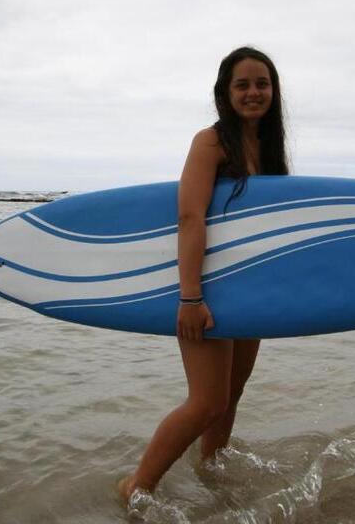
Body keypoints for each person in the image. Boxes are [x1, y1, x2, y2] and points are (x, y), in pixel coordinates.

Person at [118, 46, 290, 504]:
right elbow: (190, 217)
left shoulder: (269, 149)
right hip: (206, 290)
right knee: (207, 400)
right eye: (242, 84)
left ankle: (211, 472)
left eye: (262, 84)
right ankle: (136, 487)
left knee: (232, 394)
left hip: (245, 288)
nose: (254, 92)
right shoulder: (211, 142)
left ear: (273, 91)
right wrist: (190, 297)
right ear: (225, 92)